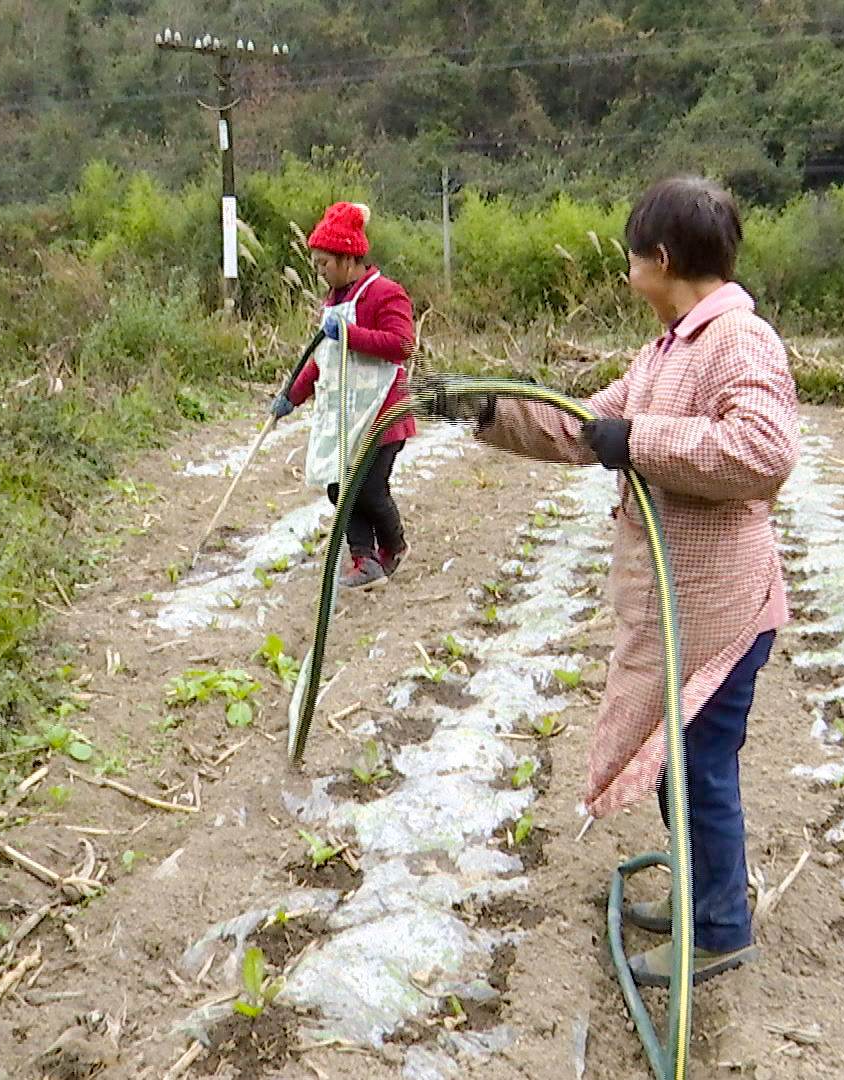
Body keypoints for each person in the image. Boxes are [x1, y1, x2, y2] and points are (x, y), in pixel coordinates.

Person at [421, 177, 800, 986]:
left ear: (659, 260)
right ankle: (702, 897)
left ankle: (721, 929)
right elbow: (584, 429)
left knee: (699, 767)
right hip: (676, 608)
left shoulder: (737, 340)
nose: (628, 269)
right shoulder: (668, 347)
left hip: (723, 607)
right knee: (678, 762)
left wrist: (645, 439)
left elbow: (765, 452)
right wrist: (487, 407)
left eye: (632, 255)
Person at [272, 201, 417, 590]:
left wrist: (352, 335)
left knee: (367, 487)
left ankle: (393, 545)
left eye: (324, 264)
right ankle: (364, 559)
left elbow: (402, 346)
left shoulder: (385, 294)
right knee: (339, 485)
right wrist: (292, 395)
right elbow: (324, 359)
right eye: (316, 265)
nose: (320, 273)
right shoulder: (334, 303)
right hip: (345, 415)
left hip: (383, 413)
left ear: (347, 257)